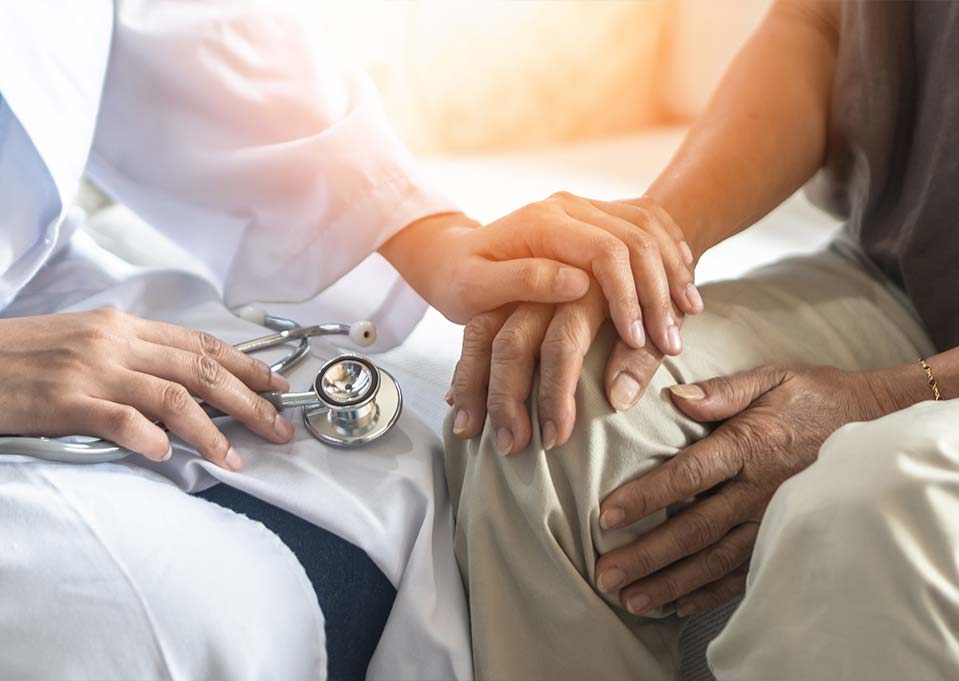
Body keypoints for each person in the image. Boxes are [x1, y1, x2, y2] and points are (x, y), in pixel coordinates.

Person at [0, 2, 704, 679]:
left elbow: (178, 21)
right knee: (160, 618)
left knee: (408, 472)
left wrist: (433, 239)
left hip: (49, 293)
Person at [445, 1, 959, 679]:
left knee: (872, 510)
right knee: (555, 402)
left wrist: (883, 400)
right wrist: (650, 242)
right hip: (904, 274)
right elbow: (821, 26)